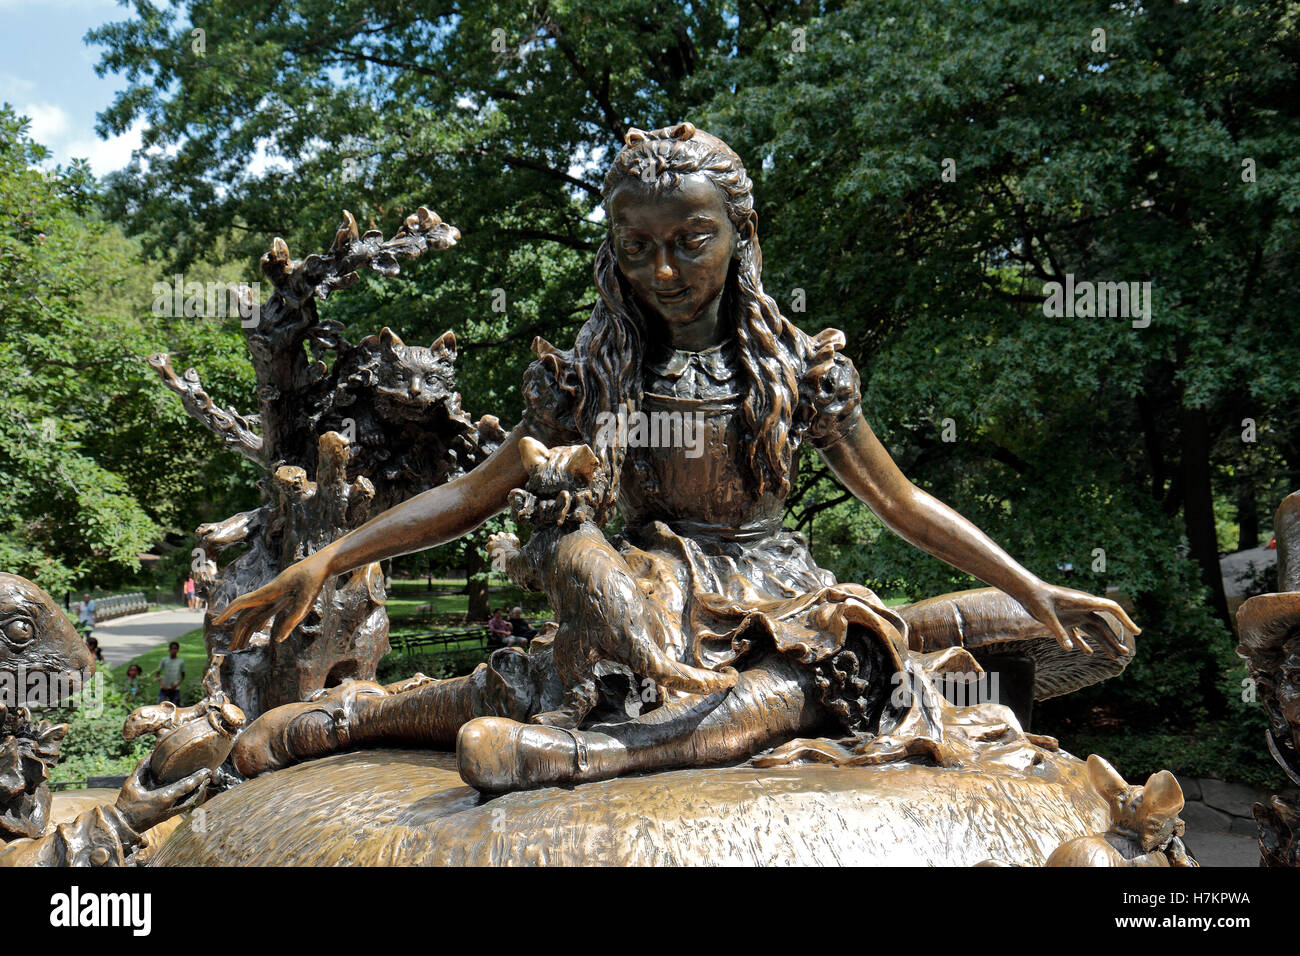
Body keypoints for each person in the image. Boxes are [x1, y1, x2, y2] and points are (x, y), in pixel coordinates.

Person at [215, 123, 1138, 792]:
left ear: (739, 238)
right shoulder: (588, 378)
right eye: (638, 248)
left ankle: (599, 754)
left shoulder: (801, 372)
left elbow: (900, 503)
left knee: (823, 670)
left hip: (778, 595)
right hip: (647, 589)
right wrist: (331, 556)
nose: (665, 270)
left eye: (692, 241)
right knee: (550, 664)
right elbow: (474, 492)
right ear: (612, 254)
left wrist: (1033, 589)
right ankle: (350, 720)